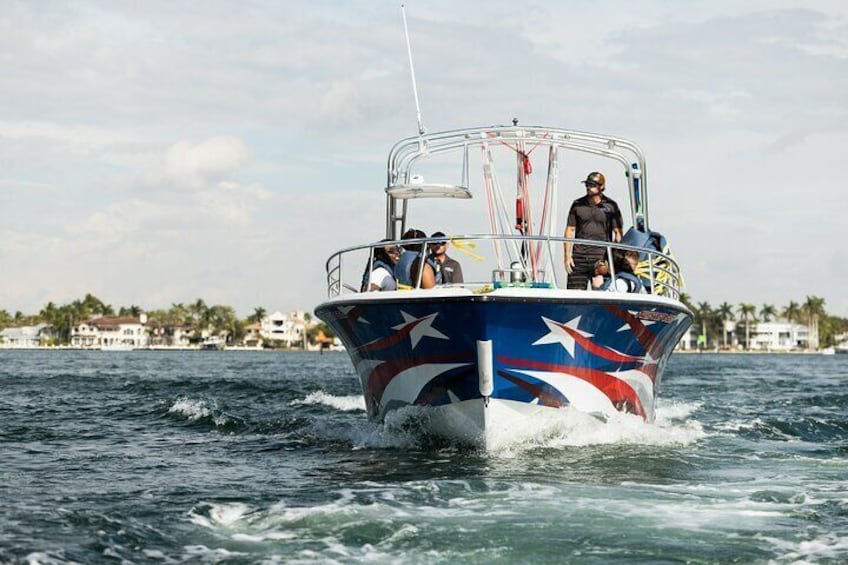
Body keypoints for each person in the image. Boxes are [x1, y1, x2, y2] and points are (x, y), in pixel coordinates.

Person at [564, 172, 624, 290]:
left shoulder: (611, 206)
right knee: (575, 297)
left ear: (601, 187)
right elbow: (570, 230)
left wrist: (615, 260)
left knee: (602, 295)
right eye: (587, 184)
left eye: (591, 185)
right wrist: (567, 256)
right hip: (579, 257)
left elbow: (618, 234)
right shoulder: (577, 205)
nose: (588, 187)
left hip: (601, 258)